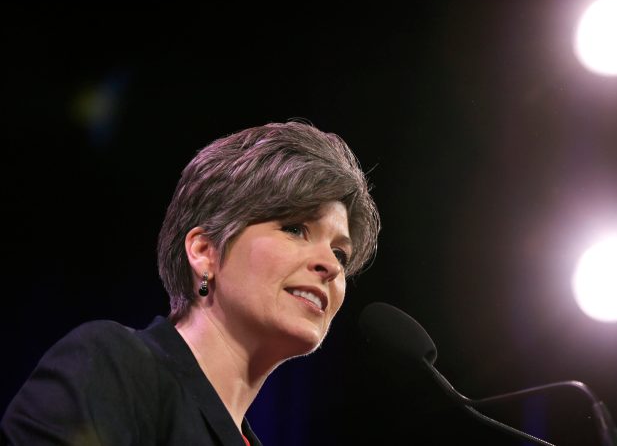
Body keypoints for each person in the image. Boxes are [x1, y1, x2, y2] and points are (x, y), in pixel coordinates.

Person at [1, 121, 380, 446]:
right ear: (204, 251)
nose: (329, 265)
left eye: (341, 254)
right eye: (295, 229)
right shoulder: (117, 367)